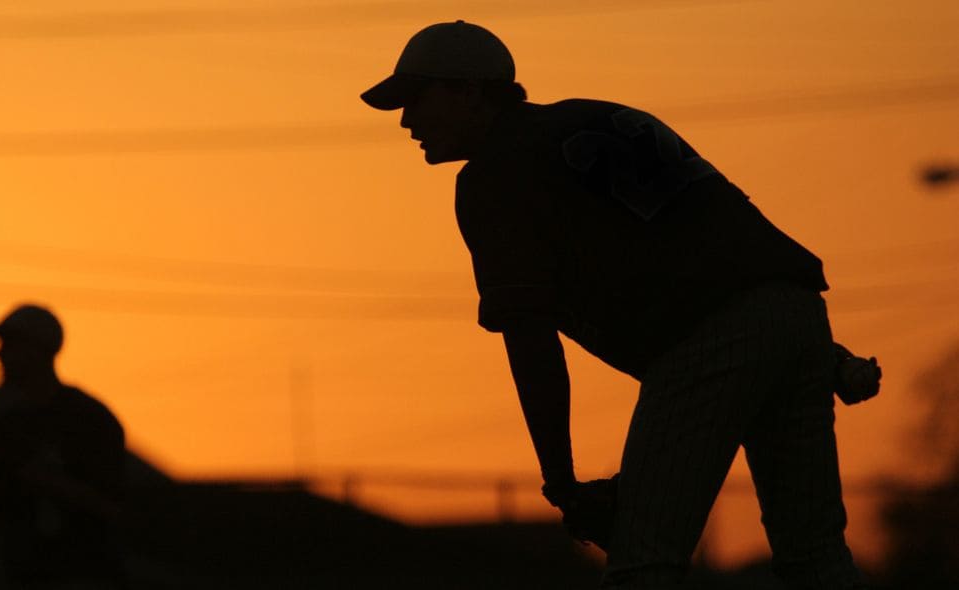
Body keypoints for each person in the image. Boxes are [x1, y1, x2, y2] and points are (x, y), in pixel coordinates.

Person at [361, 21, 880, 589]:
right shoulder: (598, 113)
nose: (407, 119)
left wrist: (560, 483)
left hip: (706, 338)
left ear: (469, 91)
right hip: (796, 310)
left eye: (417, 98)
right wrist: (816, 354)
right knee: (816, 560)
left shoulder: (493, 176)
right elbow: (714, 241)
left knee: (643, 563)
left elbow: (531, 340)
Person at [0, 303, 126, 589]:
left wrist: (30, 472)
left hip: (82, 577)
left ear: (40, 351)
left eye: (11, 344)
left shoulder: (88, 420)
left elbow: (114, 508)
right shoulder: (5, 426)